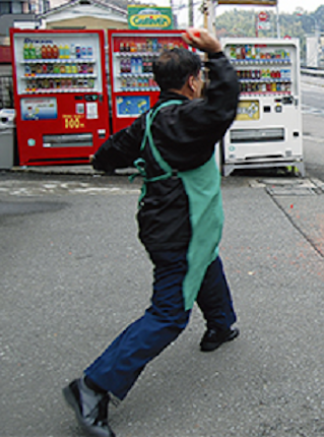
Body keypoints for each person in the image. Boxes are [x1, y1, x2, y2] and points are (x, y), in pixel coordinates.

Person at [62, 28, 240, 437]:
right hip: (183, 228)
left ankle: (221, 323)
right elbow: (223, 106)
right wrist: (217, 53)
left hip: (163, 222)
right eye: (202, 78)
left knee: (206, 259)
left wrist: (106, 160)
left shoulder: (149, 120)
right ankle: (92, 387)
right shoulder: (189, 119)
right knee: (169, 314)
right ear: (193, 81)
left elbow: (105, 157)